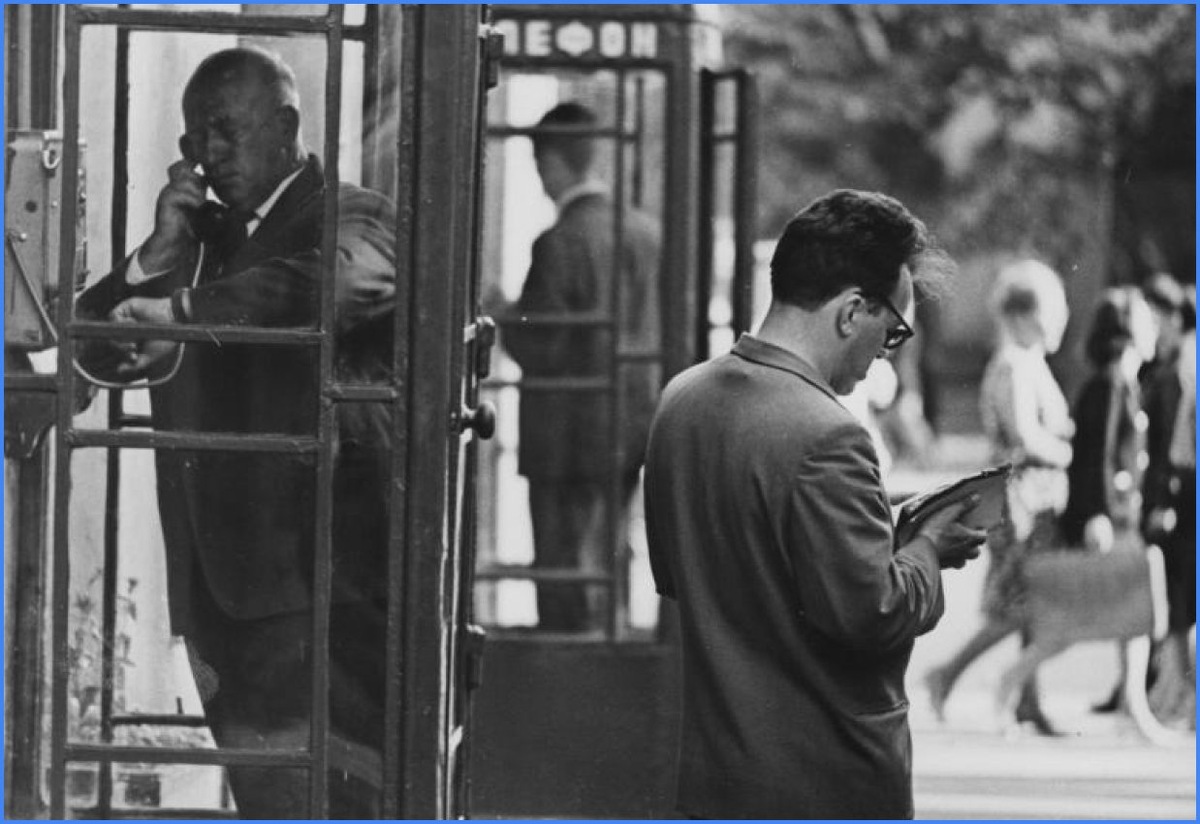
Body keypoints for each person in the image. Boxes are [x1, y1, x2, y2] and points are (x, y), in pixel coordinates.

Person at [76, 47, 396, 818]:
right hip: (217, 578)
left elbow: (340, 283)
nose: (209, 156)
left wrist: (183, 310)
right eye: (194, 140)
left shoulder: (355, 215)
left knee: (324, 795)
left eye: (226, 132)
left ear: (286, 127)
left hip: (317, 574)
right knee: (263, 794)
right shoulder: (197, 239)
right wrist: (157, 258)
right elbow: (92, 344)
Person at [643, 189, 988, 819]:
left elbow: (685, 573)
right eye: (892, 333)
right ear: (853, 311)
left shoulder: (681, 400)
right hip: (826, 777)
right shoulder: (830, 432)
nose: (885, 356)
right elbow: (874, 611)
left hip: (715, 777)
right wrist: (927, 549)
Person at [495, 102, 661, 632]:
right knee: (608, 559)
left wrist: (498, 310)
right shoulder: (645, 233)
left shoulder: (558, 241)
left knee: (565, 573)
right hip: (630, 426)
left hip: (565, 436)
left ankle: (566, 684)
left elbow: (542, 345)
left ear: (552, 162)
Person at [923, 260, 1073, 736]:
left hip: (1036, 499)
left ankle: (1030, 700)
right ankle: (946, 675)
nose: (1062, 320)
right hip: (1020, 500)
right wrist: (1068, 449)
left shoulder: (1029, 362)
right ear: (1027, 315)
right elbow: (1025, 435)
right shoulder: (1013, 364)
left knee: (1033, 601)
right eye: (1054, 310)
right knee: (1018, 606)